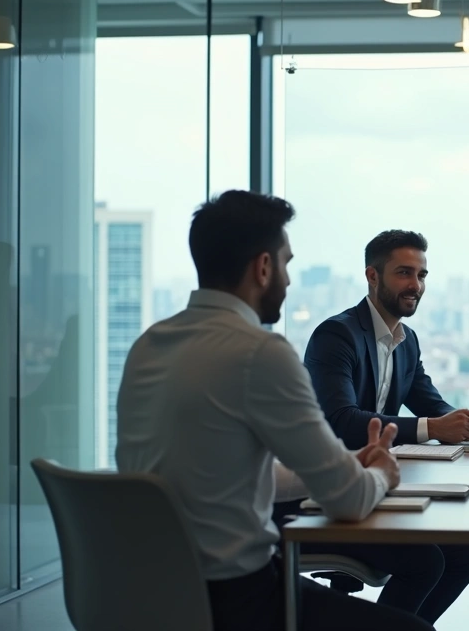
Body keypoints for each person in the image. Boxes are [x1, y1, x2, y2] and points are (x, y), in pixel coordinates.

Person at [115, 190, 432, 631]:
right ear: (263, 267)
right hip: (235, 596)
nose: (287, 278)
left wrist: (343, 464)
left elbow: (224, 473)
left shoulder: (147, 346)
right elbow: (352, 499)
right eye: (285, 263)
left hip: (145, 592)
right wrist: (381, 473)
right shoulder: (260, 353)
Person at [297, 229, 469, 623]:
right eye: (404, 273)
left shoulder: (407, 340)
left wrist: (468, 425)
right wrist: (435, 427)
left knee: (468, 554)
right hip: (329, 499)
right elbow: (341, 421)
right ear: (372, 276)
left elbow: (429, 403)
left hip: (377, 489)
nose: (415, 285)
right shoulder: (338, 335)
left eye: (422, 275)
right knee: (427, 562)